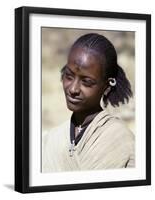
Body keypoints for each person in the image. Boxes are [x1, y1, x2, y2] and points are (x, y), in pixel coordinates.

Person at [42, 33, 135, 172]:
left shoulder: (121, 139)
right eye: (69, 76)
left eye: (87, 82)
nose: (73, 89)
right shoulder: (51, 139)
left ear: (107, 86)